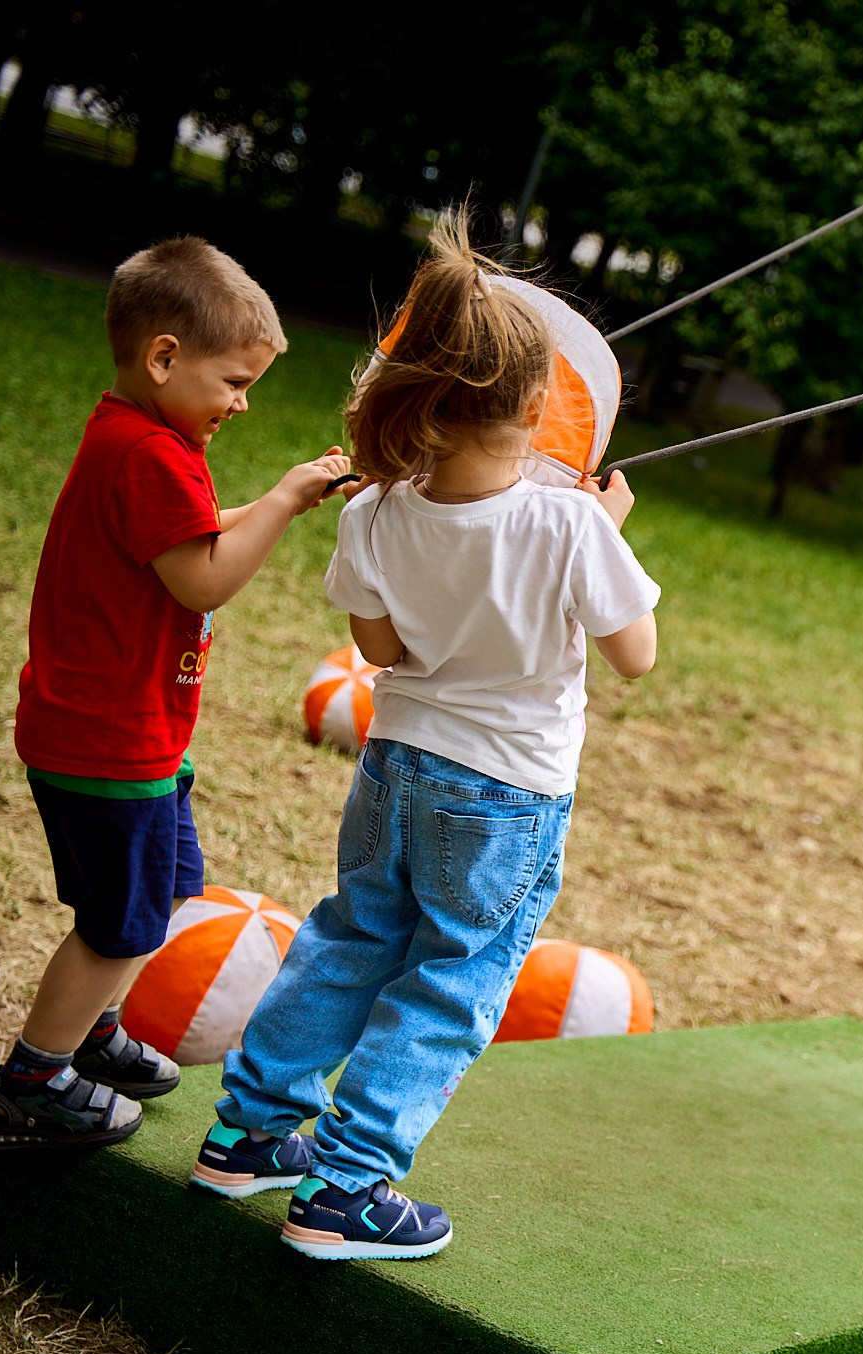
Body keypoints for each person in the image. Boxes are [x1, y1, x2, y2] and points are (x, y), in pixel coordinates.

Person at [189, 213, 660, 1262]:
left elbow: (382, 648)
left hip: (394, 769)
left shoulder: (375, 511)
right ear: (540, 406)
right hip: (506, 798)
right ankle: (345, 1189)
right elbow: (634, 654)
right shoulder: (571, 523)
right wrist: (603, 538)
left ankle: (247, 1135)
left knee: (352, 937)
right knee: (451, 981)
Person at [0, 238, 352, 1149]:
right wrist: (285, 497)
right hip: (112, 740)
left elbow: (180, 537)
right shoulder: (154, 455)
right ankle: (32, 1076)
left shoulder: (136, 436)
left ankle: (90, 1029)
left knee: (162, 892)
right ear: (164, 357)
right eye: (234, 381)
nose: (243, 403)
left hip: (122, 733)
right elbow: (202, 579)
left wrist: (277, 501)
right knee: (120, 922)